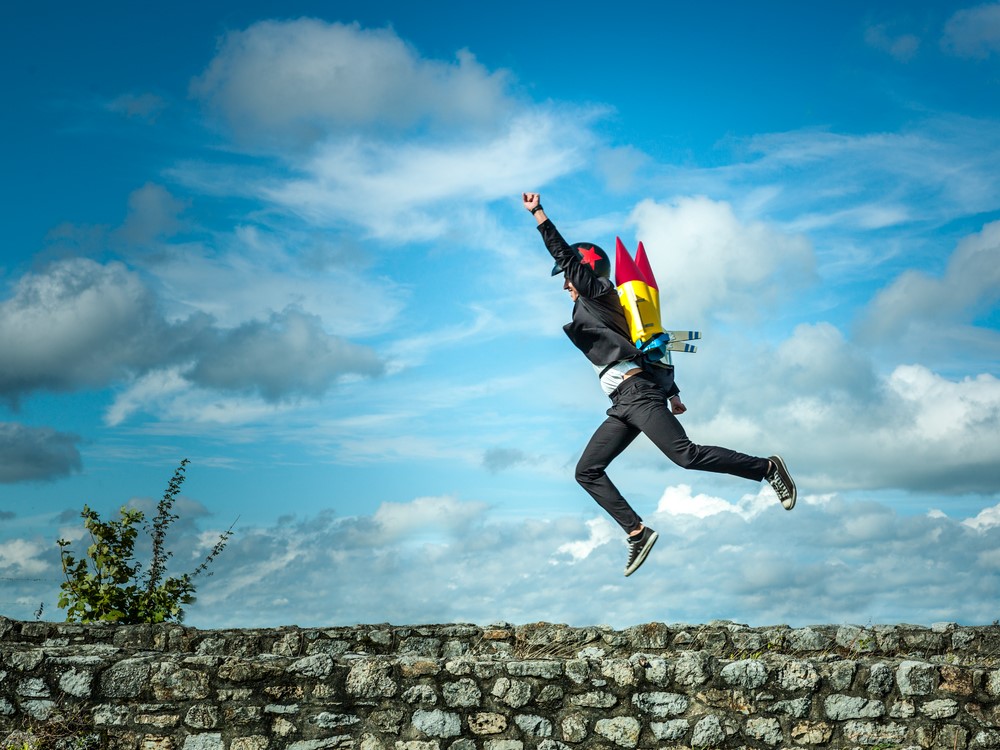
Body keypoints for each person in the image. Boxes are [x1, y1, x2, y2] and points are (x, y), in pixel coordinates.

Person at [522, 192, 796, 577]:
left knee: (686, 455)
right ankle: (637, 531)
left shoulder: (598, 294)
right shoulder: (606, 306)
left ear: (585, 271)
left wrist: (538, 214)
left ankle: (766, 468)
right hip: (624, 402)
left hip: (636, 395)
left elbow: (565, 255)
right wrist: (673, 391)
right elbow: (652, 345)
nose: (564, 285)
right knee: (586, 471)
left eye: (566, 277)